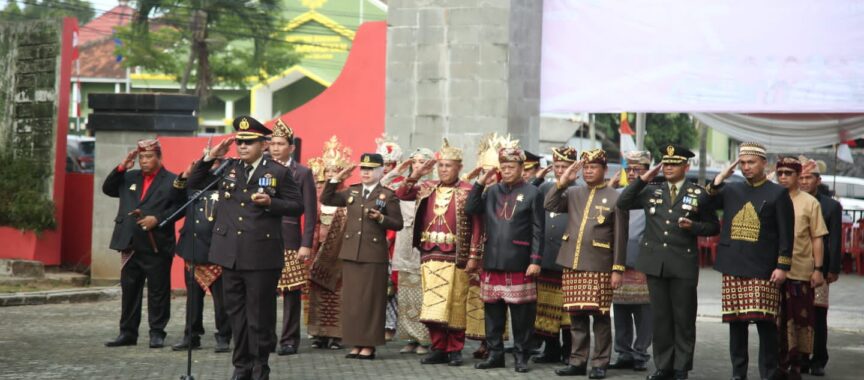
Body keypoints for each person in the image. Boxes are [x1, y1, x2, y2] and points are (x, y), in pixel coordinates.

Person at [187, 116, 304, 380]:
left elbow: (298, 206)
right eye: (239, 141)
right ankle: (241, 367)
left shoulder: (278, 172)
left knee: (259, 316)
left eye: (248, 142)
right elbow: (194, 182)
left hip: (261, 256)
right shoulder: (228, 168)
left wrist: (271, 203)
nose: (242, 146)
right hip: (230, 255)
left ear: (263, 144)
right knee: (236, 315)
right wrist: (209, 158)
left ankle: (259, 367)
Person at [617, 146, 720, 380]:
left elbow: (713, 226)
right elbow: (623, 202)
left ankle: (681, 367)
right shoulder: (652, 190)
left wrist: (693, 227)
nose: (669, 167)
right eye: (666, 163)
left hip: (682, 263)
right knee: (661, 318)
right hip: (656, 263)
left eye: (674, 164)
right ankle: (664, 366)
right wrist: (643, 178)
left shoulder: (698, 193)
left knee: (683, 318)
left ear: (686, 166)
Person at [705, 142, 794, 380]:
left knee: (765, 324)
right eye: (743, 163)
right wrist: (719, 178)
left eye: (751, 162)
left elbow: (787, 234)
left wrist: (782, 265)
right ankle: (738, 374)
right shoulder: (732, 190)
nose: (746, 167)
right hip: (733, 265)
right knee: (737, 324)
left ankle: (769, 373)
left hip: (764, 268)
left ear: (764, 163)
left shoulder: (778, 193)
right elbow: (705, 203)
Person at [395, 139, 484, 367]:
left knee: (455, 302)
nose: (444, 169)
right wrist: (415, 174)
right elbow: (402, 194)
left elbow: (477, 225)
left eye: (449, 165)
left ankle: (455, 349)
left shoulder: (468, 191)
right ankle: (438, 348)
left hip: (457, 255)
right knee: (433, 303)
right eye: (441, 165)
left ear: (459, 168)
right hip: (429, 253)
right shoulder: (427, 187)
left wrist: (474, 255)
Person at [545, 148, 628, 379]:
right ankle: (577, 361)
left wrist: (617, 269)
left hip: (600, 265)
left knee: (600, 317)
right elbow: (550, 204)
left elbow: (621, 236)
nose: (589, 171)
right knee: (576, 316)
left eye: (594, 167)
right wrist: (563, 182)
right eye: (586, 167)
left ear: (604, 169)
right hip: (572, 263)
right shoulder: (573, 193)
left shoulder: (615, 197)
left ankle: (600, 363)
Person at [466, 140, 545, 373]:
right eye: (504, 166)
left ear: (521, 167)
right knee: (493, 315)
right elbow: (471, 208)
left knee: (522, 317)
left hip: (520, 262)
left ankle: (521, 356)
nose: (507, 170)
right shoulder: (492, 191)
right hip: (493, 261)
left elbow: (538, 229)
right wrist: (480, 182)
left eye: (512, 166)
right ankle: (495, 355)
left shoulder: (533, 192)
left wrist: (536, 261)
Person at [320, 152, 404, 360]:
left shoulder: (387, 195)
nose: (366, 173)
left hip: (373, 255)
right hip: (351, 253)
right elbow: (327, 198)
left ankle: (368, 345)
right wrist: (335, 179)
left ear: (380, 171)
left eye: (371, 169)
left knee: (371, 301)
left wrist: (381, 218)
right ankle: (355, 343)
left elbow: (398, 223)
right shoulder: (353, 192)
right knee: (352, 301)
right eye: (363, 169)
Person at [103, 139, 178, 349]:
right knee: (130, 290)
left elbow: (180, 207)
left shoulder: (171, 180)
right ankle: (127, 333)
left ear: (159, 157)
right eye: (141, 157)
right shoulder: (128, 177)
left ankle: (157, 332)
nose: (144, 161)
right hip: (130, 242)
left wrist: (158, 219)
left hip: (156, 244)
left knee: (158, 291)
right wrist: (121, 167)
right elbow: (108, 189)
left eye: (149, 157)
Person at [774, 156, 828, 380]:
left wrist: (818, 269)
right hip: (774, 271)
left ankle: (796, 365)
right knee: (775, 320)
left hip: (800, 270)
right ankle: (777, 365)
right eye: (781, 173)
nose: (784, 177)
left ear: (798, 176)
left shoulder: (809, 202)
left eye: (789, 173)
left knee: (800, 319)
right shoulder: (772, 198)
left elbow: (817, 238)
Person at [170, 158, 232, 353]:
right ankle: (191, 336)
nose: (211, 169)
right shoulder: (192, 186)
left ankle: (223, 336)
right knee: (193, 300)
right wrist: (186, 175)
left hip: (216, 252)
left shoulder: (227, 186)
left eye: (216, 165)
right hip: (192, 249)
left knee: (222, 301)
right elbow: (173, 196)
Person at [268, 119, 318, 357]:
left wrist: (306, 243)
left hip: (290, 240)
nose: (275, 148)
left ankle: (289, 340)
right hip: (262, 239)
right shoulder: (262, 168)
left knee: (291, 293)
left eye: (280, 144)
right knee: (263, 291)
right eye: (272, 143)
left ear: (291, 147)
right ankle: (266, 337)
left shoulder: (302, 172)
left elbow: (310, 211)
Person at [305, 136, 353, 350]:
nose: (332, 175)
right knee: (318, 294)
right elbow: (312, 225)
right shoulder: (318, 197)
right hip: (319, 252)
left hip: (340, 254)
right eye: (329, 171)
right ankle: (319, 334)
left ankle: (338, 335)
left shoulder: (348, 197)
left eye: (336, 171)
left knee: (340, 295)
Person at [607, 151, 653, 373]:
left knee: (644, 311)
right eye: (630, 170)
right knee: (621, 308)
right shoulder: (618, 193)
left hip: (644, 260)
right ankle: (623, 352)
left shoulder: (654, 193)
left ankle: (640, 353)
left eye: (638, 170)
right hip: (619, 259)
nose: (633, 174)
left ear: (648, 170)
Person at [531, 147, 577, 365]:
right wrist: (536, 181)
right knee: (546, 308)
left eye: (564, 167)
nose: (560, 171)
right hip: (547, 257)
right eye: (557, 167)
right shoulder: (546, 188)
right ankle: (551, 350)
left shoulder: (580, 190)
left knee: (568, 312)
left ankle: (570, 352)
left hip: (568, 259)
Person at [387, 148, 436, 355]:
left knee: (423, 295)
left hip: (424, 247)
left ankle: (424, 339)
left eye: (423, 162)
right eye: (414, 162)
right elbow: (383, 188)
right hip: (404, 246)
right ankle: (409, 337)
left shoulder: (433, 187)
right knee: (405, 294)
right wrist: (399, 170)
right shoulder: (404, 186)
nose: (418, 166)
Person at [798, 157, 843, 377]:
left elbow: (834, 240)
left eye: (809, 177)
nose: (804, 181)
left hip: (820, 268)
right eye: (802, 177)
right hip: (795, 266)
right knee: (797, 314)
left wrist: (832, 269)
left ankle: (818, 360)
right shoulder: (790, 201)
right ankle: (799, 358)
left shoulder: (831, 206)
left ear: (818, 180)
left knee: (818, 316)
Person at [376, 134, 405, 341]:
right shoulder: (373, 184)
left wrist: (390, 235)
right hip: (374, 237)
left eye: (390, 164)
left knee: (391, 287)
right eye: (383, 164)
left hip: (394, 239)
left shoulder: (401, 185)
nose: (386, 168)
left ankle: (391, 325)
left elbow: (398, 215)